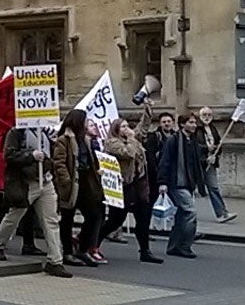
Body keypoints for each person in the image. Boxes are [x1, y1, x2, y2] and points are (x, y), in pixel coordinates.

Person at [0, 127, 72, 278]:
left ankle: (55, 261)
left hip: (45, 182)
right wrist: (31, 156)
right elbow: (9, 155)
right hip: (26, 182)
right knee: (15, 214)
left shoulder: (44, 132)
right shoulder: (17, 132)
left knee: (51, 220)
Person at [99, 115, 164, 263]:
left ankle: (145, 251)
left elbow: (144, 127)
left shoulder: (133, 140)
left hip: (138, 184)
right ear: (116, 129)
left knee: (143, 218)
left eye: (127, 126)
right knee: (115, 220)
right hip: (122, 187)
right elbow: (128, 153)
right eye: (123, 126)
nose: (127, 129)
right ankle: (92, 243)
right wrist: (132, 138)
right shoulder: (112, 143)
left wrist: (147, 110)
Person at [53, 110, 106, 266]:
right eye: (84, 121)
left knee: (94, 215)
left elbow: (89, 160)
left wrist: (96, 171)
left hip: (85, 183)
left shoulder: (86, 140)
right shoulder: (64, 140)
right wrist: (66, 180)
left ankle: (82, 249)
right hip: (71, 184)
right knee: (67, 218)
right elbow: (59, 162)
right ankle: (67, 252)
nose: (86, 124)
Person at [157, 112, 208, 259]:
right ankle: (185, 246)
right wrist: (162, 182)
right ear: (182, 124)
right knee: (190, 212)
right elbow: (165, 161)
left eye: (194, 123)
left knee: (181, 215)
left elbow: (195, 162)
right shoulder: (173, 140)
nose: (193, 125)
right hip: (176, 183)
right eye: (190, 122)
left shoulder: (192, 141)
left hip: (188, 183)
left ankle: (174, 246)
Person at [196, 107, 237, 223]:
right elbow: (194, 147)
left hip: (211, 163)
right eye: (204, 115)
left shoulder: (213, 129)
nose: (207, 117)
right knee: (188, 190)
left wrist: (215, 155)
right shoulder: (196, 130)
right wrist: (206, 150)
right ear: (200, 116)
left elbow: (219, 144)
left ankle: (222, 213)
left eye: (209, 115)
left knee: (213, 188)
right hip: (198, 165)